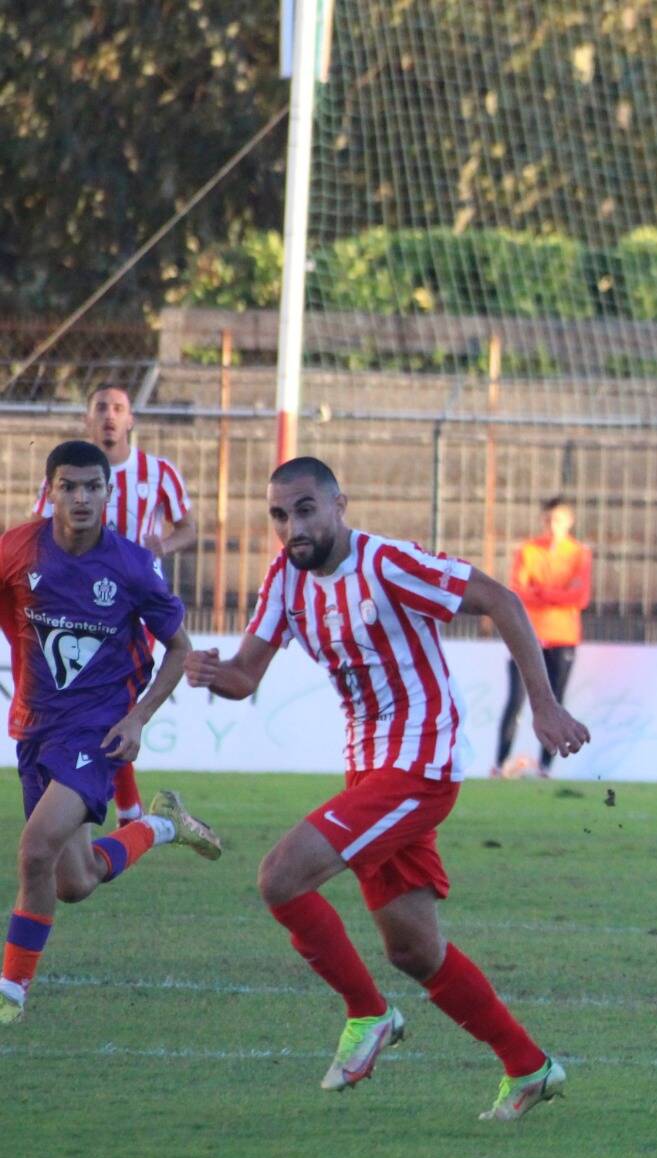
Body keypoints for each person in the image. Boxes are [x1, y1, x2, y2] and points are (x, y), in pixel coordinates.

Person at [184, 457, 591, 1120]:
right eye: (280, 515)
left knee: (279, 877)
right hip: (369, 770)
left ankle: (367, 1013)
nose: (293, 526)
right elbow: (246, 676)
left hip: (421, 765)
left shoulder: (388, 564)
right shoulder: (285, 578)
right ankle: (529, 1067)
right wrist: (210, 671)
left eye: (307, 508)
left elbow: (501, 599)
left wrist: (542, 706)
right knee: (413, 948)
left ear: (340, 503)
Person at [1, 441, 220, 1024]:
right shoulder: (18, 549)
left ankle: (10, 993)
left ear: (108, 492)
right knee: (75, 881)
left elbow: (178, 649)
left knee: (34, 849)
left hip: (97, 733)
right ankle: (163, 823)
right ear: (49, 492)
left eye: (91, 486)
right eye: (68, 486)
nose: (80, 497)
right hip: (35, 729)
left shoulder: (130, 565)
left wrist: (137, 718)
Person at [31, 386, 197, 826]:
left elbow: (188, 528)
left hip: (131, 607)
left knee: (103, 706)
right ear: (88, 419)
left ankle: (122, 809)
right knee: (99, 709)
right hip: (73, 607)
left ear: (131, 420)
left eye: (118, 408)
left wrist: (163, 544)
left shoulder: (158, 472)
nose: (109, 415)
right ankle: (130, 813)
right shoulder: (66, 473)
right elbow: (38, 528)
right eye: (100, 407)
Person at [494, 497, 591, 778]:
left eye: (558, 520)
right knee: (515, 700)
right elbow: (518, 592)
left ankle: (546, 767)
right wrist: (558, 594)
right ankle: (499, 764)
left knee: (555, 702)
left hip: (563, 635)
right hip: (528, 636)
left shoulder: (579, 554)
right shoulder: (528, 550)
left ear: (569, 522)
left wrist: (541, 592)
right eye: (548, 520)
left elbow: (580, 596)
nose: (552, 526)